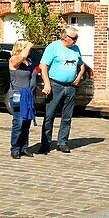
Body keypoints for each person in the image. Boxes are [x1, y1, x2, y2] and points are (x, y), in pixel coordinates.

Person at [39, 26, 85, 154]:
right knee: (49, 116)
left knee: (67, 116)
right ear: (65, 37)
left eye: (77, 38)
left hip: (70, 87)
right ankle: (45, 143)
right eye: (74, 38)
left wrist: (79, 77)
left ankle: (62, 142)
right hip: (56, 85)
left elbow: (81, 65)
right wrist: (47, 84)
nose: (76, 41)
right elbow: (43, 66)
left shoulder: (76, 49)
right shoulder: (53, 47)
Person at [7, 39, 36, 158]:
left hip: (29, 95)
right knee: (18, 122)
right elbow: (22, 55)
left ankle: (24, 147)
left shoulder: (28, 61)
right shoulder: (14, 59)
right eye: (27, 48)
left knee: (26, 123)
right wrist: (29, 45)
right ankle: (15, 148)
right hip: (18, 95)